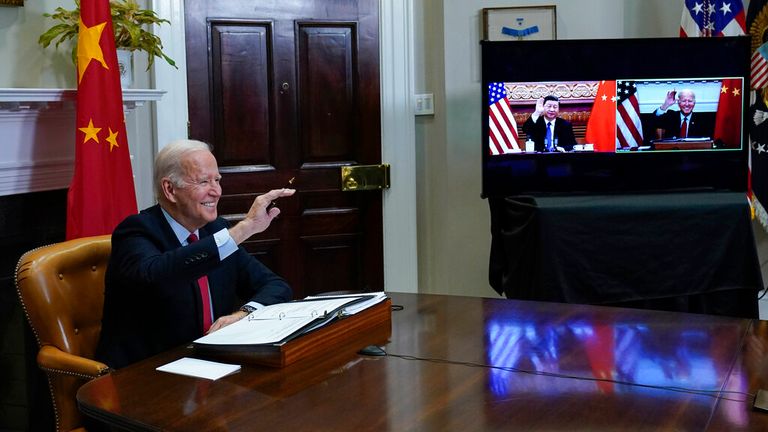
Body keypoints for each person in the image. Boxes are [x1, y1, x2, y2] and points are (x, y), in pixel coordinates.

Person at [96, 139, 295, 369]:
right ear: (170, 189)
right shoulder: (136, 231)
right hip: (147, 373)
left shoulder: (215, 230)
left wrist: (243, 313)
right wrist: (245, 228)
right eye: (203, 181)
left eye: (217, 180)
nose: (217, 191)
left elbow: (276, 286)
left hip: (213, 364)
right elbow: (158, 277)